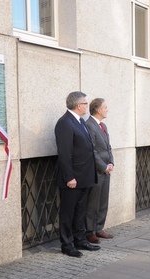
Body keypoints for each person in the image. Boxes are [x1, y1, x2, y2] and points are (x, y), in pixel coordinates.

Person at [54, 91, 100, 257]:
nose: (87, 106)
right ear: (77, 105)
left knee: (80, 210)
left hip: (85, 176)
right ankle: (67, 245)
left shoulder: (80, 121)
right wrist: (69, 177)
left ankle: (80, 240)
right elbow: (65, 153)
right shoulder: (65, 123)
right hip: (73, 178)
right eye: (85, 104)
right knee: (68, 212)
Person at [85, 98, 114, 243]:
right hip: (96, 171)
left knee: (103, 201)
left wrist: (111, 163)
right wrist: (103, 166)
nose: (107, 109)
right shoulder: (89, 125)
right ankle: (90, 231)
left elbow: (108, 147)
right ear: (98, 109)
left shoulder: (103, 126)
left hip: (106, 169)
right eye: (105, 107)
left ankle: (99, 228)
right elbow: (92, 150)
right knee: (93, 203)